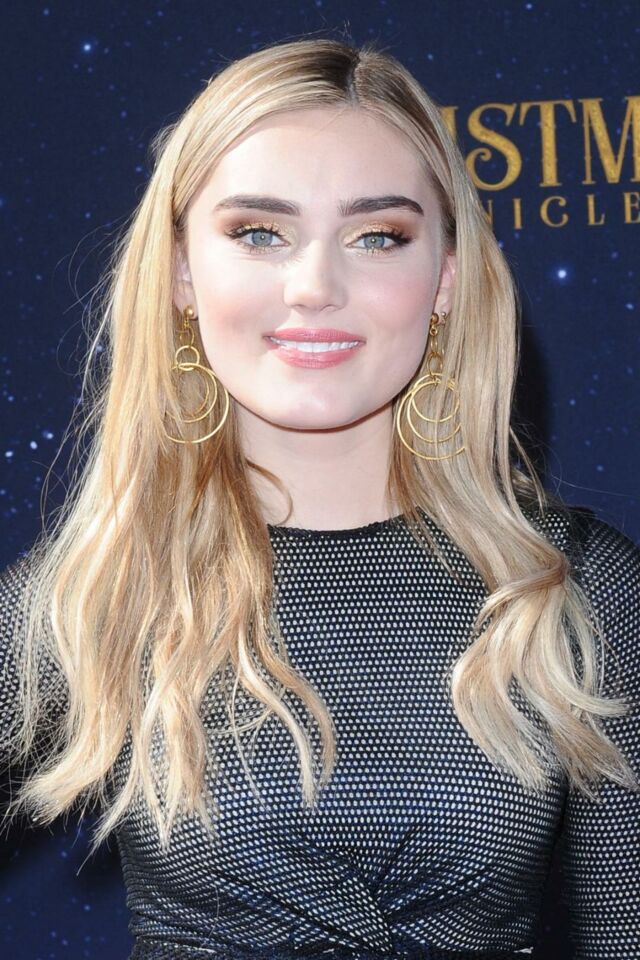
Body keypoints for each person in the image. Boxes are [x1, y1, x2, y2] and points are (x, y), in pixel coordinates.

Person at [1, 34, 638, 960]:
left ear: (446, 278)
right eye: (259, 234)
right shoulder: (97, 592)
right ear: (181, 272)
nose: (314, 288)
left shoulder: (574, 586)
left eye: (378, 237)